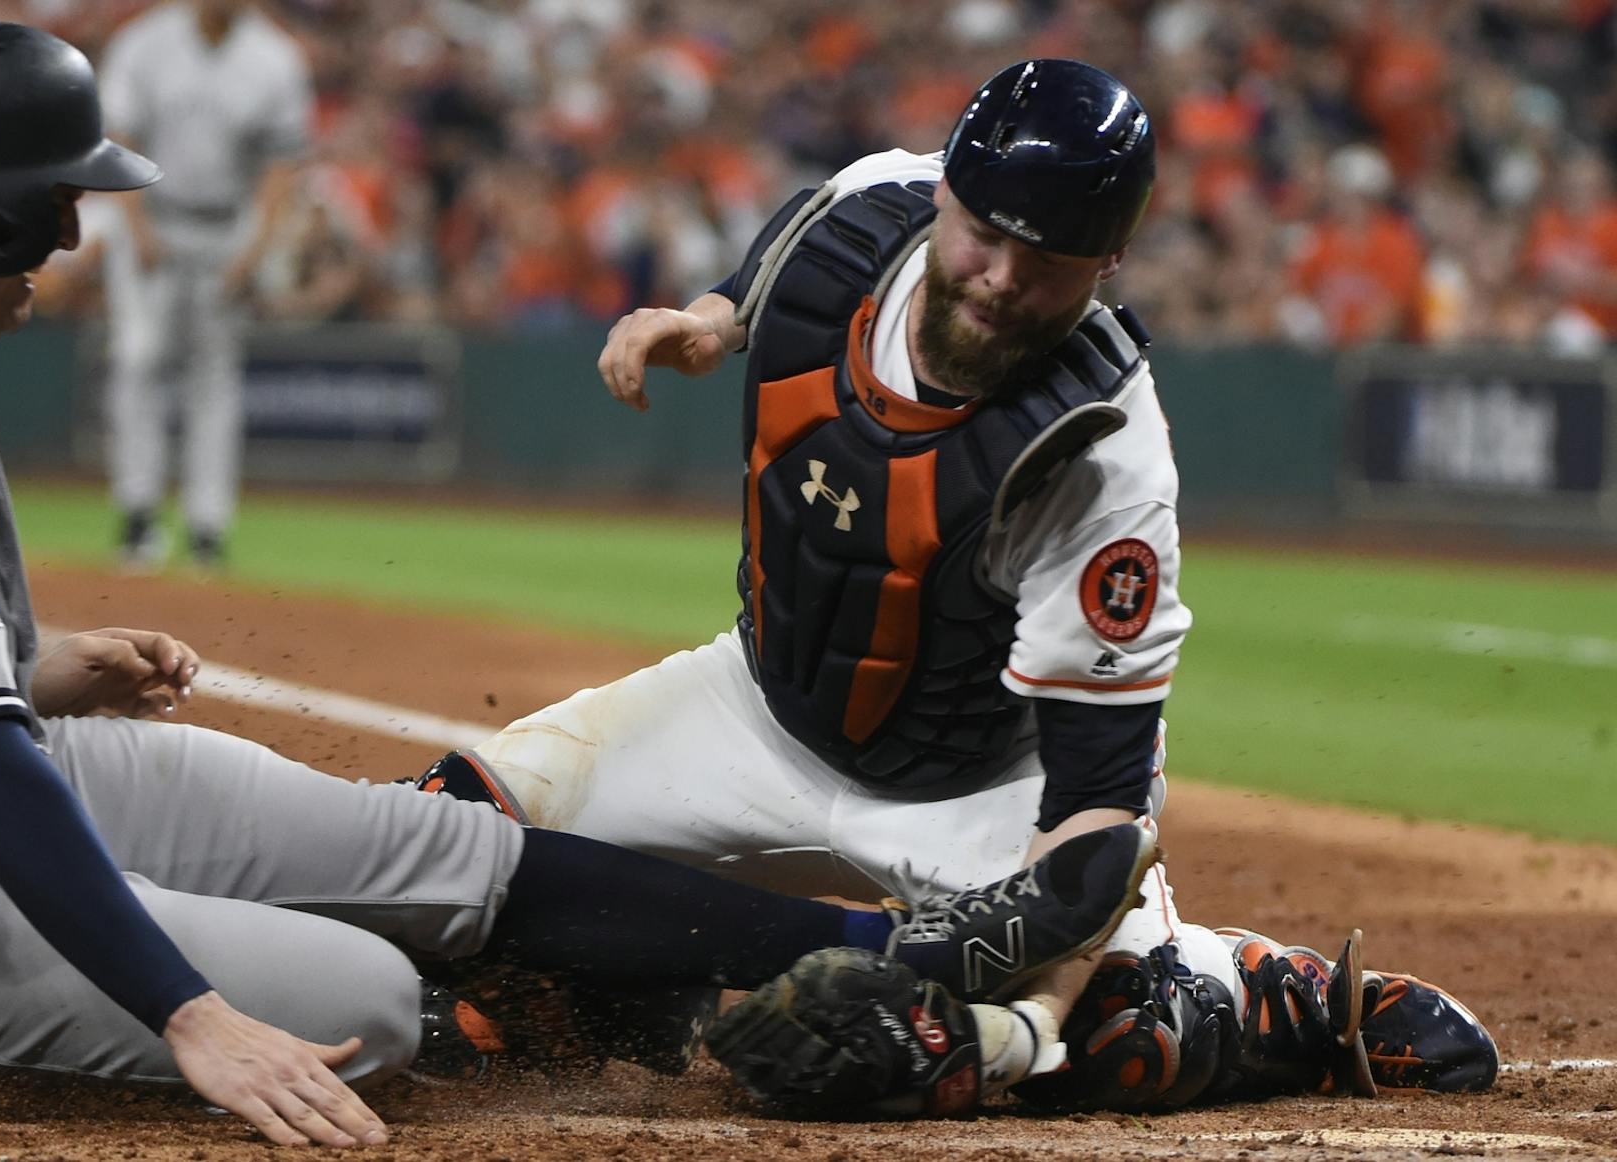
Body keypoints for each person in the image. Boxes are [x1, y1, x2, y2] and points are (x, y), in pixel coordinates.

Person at [0, 25, 1164, 1149]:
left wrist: (41, 669)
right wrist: (194, 1018)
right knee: (361, 1001)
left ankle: (886, 961)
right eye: (57, 199)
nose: (70, 232)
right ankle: (656, 1012)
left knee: (433, 847)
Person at [429, 58, 1498, 1112]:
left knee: (1125, 1042)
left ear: (1109, 259)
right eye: (984, 235)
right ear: (945, 187)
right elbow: (788, 244)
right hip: (755, 714)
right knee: (444, 835)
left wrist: (1015, 1025)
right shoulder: (865, 211)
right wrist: (709, 321)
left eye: (1049, 263)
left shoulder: (1102, 454)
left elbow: (1094, 820)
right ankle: (615, 996)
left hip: (986, 789)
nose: (1001, 277)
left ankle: (1261, 993)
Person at [96, 0, 312, 570]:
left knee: (214, 376)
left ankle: (207, 527)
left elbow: (282, 164)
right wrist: (136, 227)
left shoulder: (275, 57)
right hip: (154, 216)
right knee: (139, 360)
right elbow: (118, 136)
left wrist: (255, 249)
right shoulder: (144, 42)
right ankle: (138, 513)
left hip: (227, 227)